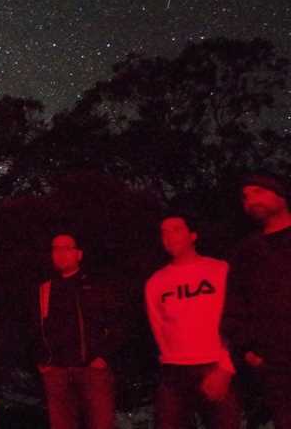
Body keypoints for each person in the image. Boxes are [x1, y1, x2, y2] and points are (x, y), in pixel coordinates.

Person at [145, 214, 240, 429]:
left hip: (215, 366)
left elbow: (234, 318)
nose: (169, 237)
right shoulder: (156, 281)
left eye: (176, 229)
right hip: (173, 372)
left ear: (193, 235)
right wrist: (168, 358)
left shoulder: (219, 270)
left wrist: (226, 366)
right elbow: (158, 326)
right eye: (164, 232)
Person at [32, 233, 122, 429]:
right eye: (55, 249)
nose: (60, 254)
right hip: (57, 372)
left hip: (91, 371)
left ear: (79, 254)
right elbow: (35, 328)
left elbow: (118, 322)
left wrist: (103, 357)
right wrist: (43, 361)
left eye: (66, 248)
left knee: (100, 424)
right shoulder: (45, 289)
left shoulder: (96, 285)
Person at [222, 173, 291, 429]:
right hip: (276, 365)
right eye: (245, 197)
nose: (250, 200)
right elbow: (235, 306)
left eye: (258, 191)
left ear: (280, 195)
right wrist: (248, 350)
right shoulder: (246, 252)